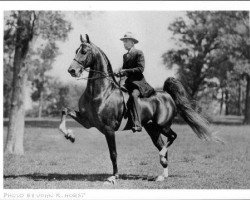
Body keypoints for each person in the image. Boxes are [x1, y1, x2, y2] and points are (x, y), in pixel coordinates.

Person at [116, 32, 155, 132]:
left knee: (134, 96)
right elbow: (124, 70)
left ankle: (137, 123)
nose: (124, 43)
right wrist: (118, 73)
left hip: (138, 84)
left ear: (132, 43)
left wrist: (126, 71)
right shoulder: (125, 56)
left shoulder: (139, 53)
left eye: (126, 41)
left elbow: (140, 69)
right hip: (128, 83)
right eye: (123, 42)